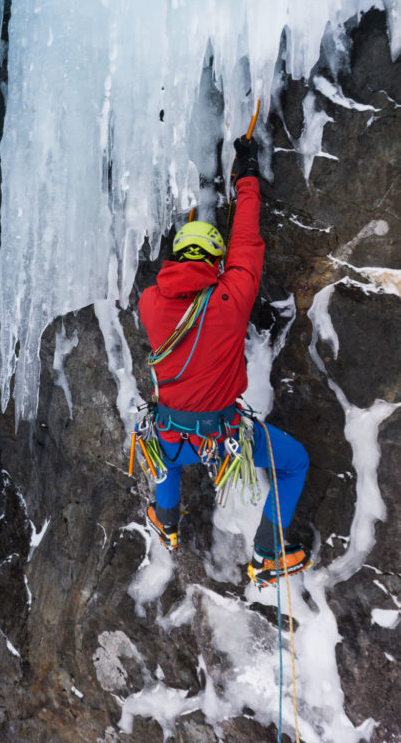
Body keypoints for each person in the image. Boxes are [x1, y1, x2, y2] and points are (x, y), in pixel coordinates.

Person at [138, 135, 311, 583]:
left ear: (177, 257)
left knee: (163, 452)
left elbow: (174, 279)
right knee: (294, 462)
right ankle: (268, 552)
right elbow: (246, 239)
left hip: (175, 438)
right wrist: (246, 173)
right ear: (217, 262)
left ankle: (166, 520)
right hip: (224, 438)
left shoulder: (151, 304)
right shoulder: (231, 297)